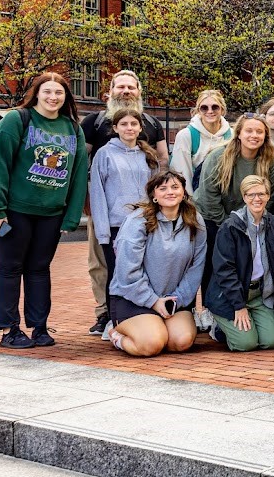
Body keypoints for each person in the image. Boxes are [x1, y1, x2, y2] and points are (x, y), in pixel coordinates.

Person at [0, 73, 87, 349]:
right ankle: (9, 330)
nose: (53, 97)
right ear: (36, 93)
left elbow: (78, 176)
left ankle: (39, 327)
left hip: (50, 214)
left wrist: (71, 215)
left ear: (66, 97)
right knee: (8, 268)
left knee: (39, 269)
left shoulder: (73, 129)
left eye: (59, 93)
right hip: (15, 212)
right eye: (47, 92)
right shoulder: (16, 121)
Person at [81, 69, 168, 338]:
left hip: (144, 215)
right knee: (102, 264)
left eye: (131, 87)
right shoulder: (94, 123)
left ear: (139, 91)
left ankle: (140, 309)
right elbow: (81, 164)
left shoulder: (152, 123)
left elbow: (163, 161)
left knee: (144, 262)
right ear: (110, 90)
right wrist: (85, 202)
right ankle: (105, 313)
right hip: (105, 209)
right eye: (121, 87)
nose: (126, 91)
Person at [194, 114, 274, 331]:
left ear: (266, 136)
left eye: (259, 132)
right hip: (217, 219)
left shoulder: (272, 162)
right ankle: (213, 312)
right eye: (249, 130)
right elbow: (209, 197)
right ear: (238, 133)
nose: (254, 135)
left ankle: (257, 307)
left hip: (255, 218)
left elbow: (271, 197)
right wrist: (230, 228)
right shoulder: (219, 157)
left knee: (250, 262)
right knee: (215, 263)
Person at [105, 170, 205, 357]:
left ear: (184, 191)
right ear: (154, 195)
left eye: (175, 187)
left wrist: (177, 299)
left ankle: (157, 326)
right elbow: (127, 271)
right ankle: (116, 334)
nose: (170, 192)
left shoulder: (194, 220)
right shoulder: (137, 221)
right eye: (163, 188)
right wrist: (152, 301)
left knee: (181, 341)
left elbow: (196, 267)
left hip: (173, 300)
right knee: (151, 344)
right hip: (134, 298)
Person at [88, 108, 161, 320]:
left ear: (140, 128)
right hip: (115, 226)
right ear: (115, 128)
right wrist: (103, 232)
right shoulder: (104, 154)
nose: (129, 128)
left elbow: (156, 191)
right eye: (124, 124)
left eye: (133, 124)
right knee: (117, 274)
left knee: (143, 272)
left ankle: (142, 315)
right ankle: (113, 319)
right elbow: (98, 194)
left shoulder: (148, 156)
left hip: (143, 224)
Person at [206, 176, 274, 351]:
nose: (256, 199)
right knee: (246, 344)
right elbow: (224, 270)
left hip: (260, 294)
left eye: (261, 194)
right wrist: (238, 306)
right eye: (251, 195)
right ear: (244, 197)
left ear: (268, 196)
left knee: (271, 341)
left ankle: (251, 320)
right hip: (231, 295)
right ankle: (220, 328)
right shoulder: (231, 227)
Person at [169, 90, 233, 196]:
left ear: (222, 109)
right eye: (204, 108)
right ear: (198, 110)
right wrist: (191, 202)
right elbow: (182, 172)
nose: (210, 111)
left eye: (215, 107)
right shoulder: (186, 135)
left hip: (225, 193)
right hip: (197, 193)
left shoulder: (232, 135)